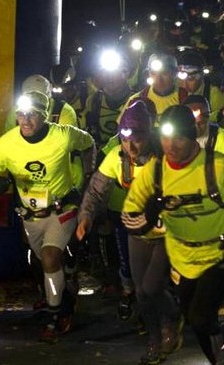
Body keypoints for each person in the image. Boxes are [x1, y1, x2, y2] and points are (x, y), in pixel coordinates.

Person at [122, 105, 224, 365]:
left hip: (217, 256)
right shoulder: (155, 172)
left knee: (201, 316)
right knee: (194, 319)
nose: (171, 145)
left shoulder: (219, 167)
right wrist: (149, 216)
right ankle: (220, 359)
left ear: (192, 136)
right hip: (181, 261)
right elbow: (128, 218)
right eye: (165, 138)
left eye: (179, 138)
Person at [0, 91, 95, 342]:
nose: (26, 120)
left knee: (50, 257)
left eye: (33, 115)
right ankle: (66, 283)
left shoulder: (62, 135)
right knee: (39, 261)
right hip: (31, 215)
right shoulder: (7, 143)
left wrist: (87, 178)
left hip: (62, 211)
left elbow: (88, 144)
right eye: (21, 114)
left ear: (44, 115)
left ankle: (55, 317)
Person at [76, 100, 159, 323]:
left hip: (164, 222)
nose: (130, 148)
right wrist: (86, 216)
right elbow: (96, 190)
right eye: (125, 141)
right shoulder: (116, 156)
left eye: (137, 141)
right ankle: (131, 295)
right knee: (129, 264)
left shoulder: (165, 153)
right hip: (130, 220)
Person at [182, 95, 224, 159]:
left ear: (208, 119)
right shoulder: (176, 135)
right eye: (191, 123)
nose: (196, 127)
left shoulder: (219, 135)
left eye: (200, 123)